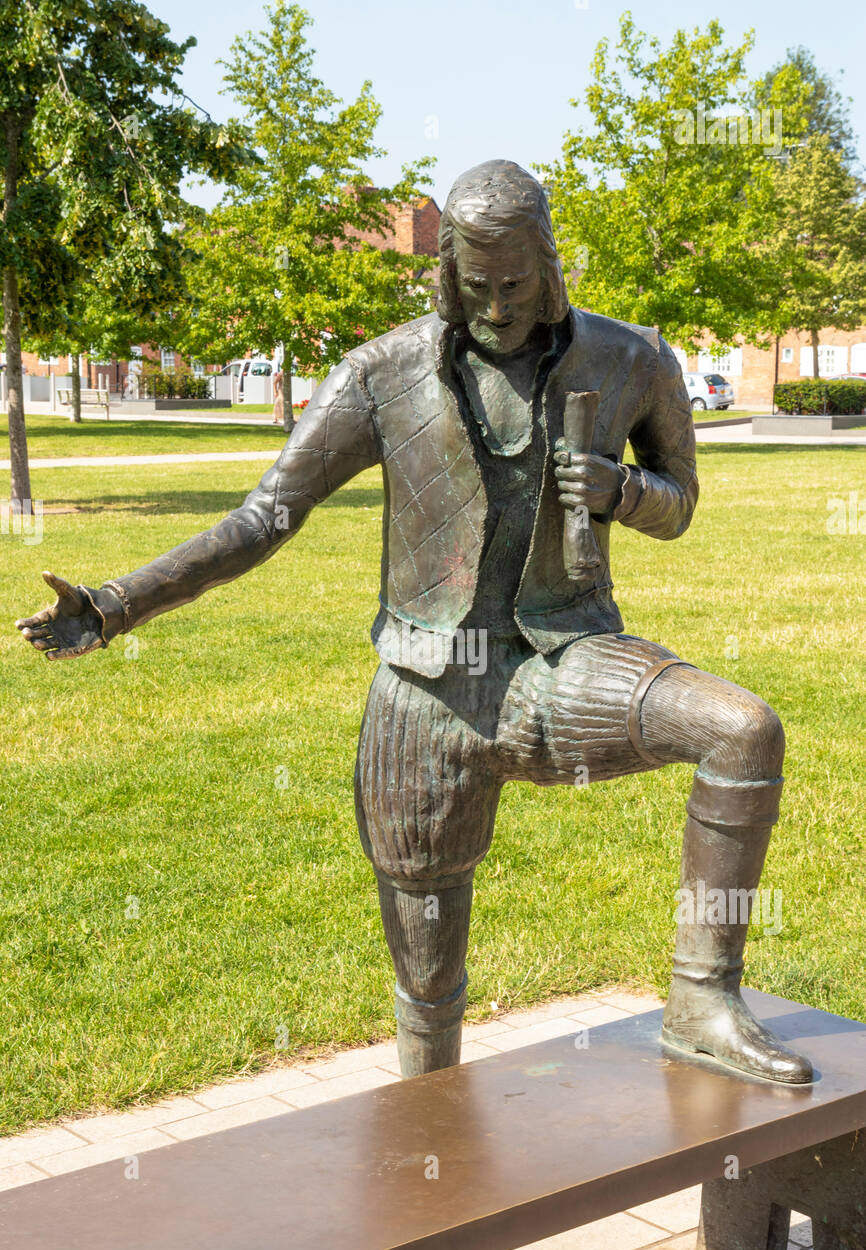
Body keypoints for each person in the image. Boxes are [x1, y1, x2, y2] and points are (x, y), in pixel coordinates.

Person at [15, 161, 812, 1085]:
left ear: (550, 265)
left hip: (565, 658)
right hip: (426, 696)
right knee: (427, 1001)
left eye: (515, 285)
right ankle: (428, 1152)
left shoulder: (631, 358)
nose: (499, 308)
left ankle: (703, 999)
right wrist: (116, 605)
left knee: (743, 731)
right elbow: (264, 517)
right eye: (476, 288)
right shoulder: (380, 373)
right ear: (446, 272)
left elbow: (679, 500)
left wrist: (624, 491)